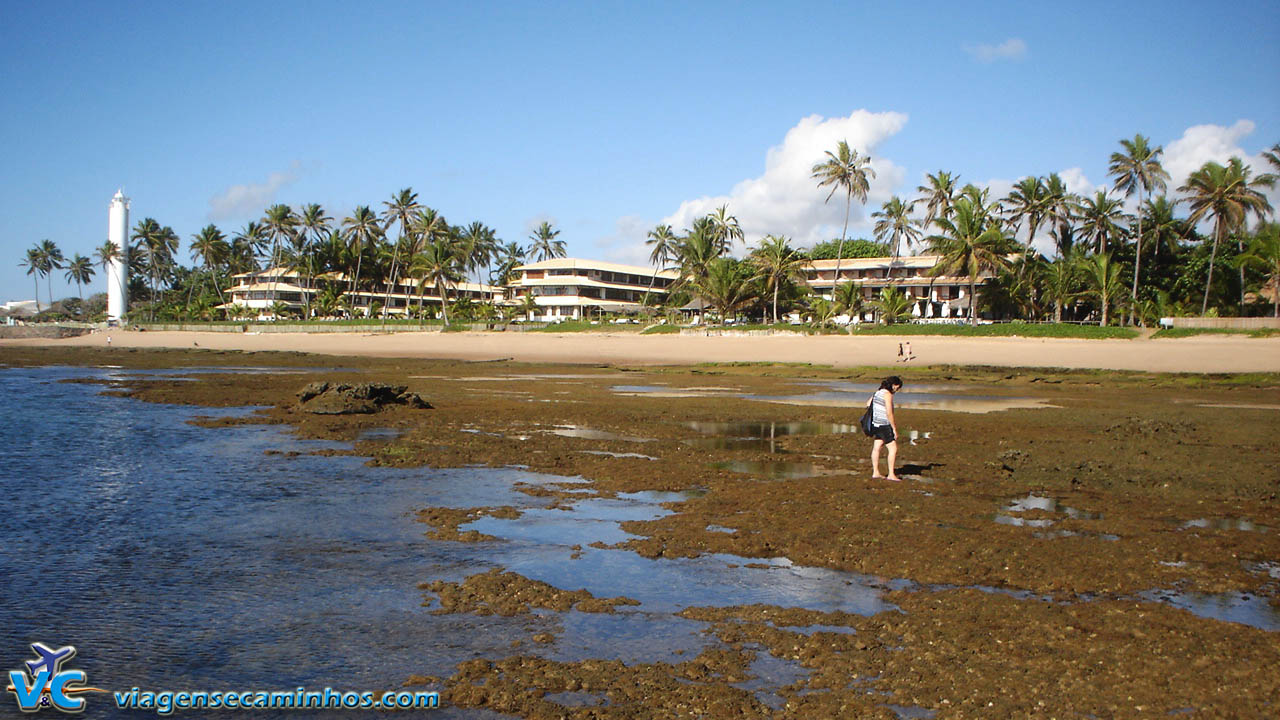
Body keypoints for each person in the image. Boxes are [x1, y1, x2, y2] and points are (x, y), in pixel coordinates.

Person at [867, 375, 902, 481]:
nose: (897, 390)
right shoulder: (887, 394)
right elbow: (889, 413)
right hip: (884, 424)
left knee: (877, 447)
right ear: (893, 385)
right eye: (897, 387)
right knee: (893, 448)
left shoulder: (878, 392)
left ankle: (875, 472)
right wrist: (894, 428)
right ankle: (891, 474)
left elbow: (868, 404)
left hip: (875, 423)